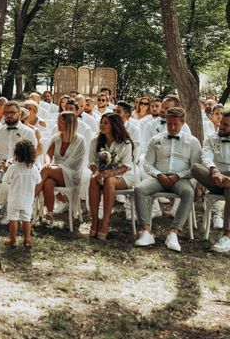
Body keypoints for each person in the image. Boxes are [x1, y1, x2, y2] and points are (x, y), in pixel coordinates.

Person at [134, 107, 202, 252]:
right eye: (169, 123)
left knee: (188, 192)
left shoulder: (192, 141)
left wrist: (178, 175)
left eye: (175, 124)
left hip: (180, 179)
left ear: (183, 123)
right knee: (139, 189)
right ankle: (146, 231)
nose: (171, 127)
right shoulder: (156, 140)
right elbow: (147, 164)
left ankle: (174, 233)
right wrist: (159, 175)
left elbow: (195, 167)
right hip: (159, 177)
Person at [87, 113, 136, 240]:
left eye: (106, 123)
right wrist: (97, 172)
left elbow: (126, 166)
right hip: (102, 173)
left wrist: (112, 173)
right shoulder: (96, 141)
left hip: (123, 175)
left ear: (114, 125)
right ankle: (95, 220)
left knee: (109, 181)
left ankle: (105, 222)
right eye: (101, 122)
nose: (102, 125)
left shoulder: (125, 143)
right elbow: (92, 163)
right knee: (93, 179)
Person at [35, 112, 86, 226]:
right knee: (48, 182)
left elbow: (75, 163)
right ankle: (49, 215)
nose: (57, 123)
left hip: (72, 173)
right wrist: (48, 162)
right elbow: (48, 154)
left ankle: (29, 202)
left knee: (45, 170)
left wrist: (52, 167)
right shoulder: (56, 138)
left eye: (60, 121)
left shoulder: (80, 140)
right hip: (55, 172)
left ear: (69, 123)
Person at [192, 111, 230, 251]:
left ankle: (227, 236)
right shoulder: (211, 137)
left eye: (226, 125)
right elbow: (206, 155)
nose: (221, 126)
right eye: (221, 124)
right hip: (215, 179)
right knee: (196, 168)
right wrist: (214, 170)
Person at [3, 139, 41, 248]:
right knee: (26, 219)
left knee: (13, 218)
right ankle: (27, 240)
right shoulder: (33, 169)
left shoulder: (13, 168)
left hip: (14, 198)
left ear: (16, 154)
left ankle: (13, 239)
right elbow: (38, 181)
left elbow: (6, 180)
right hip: (28, 199)